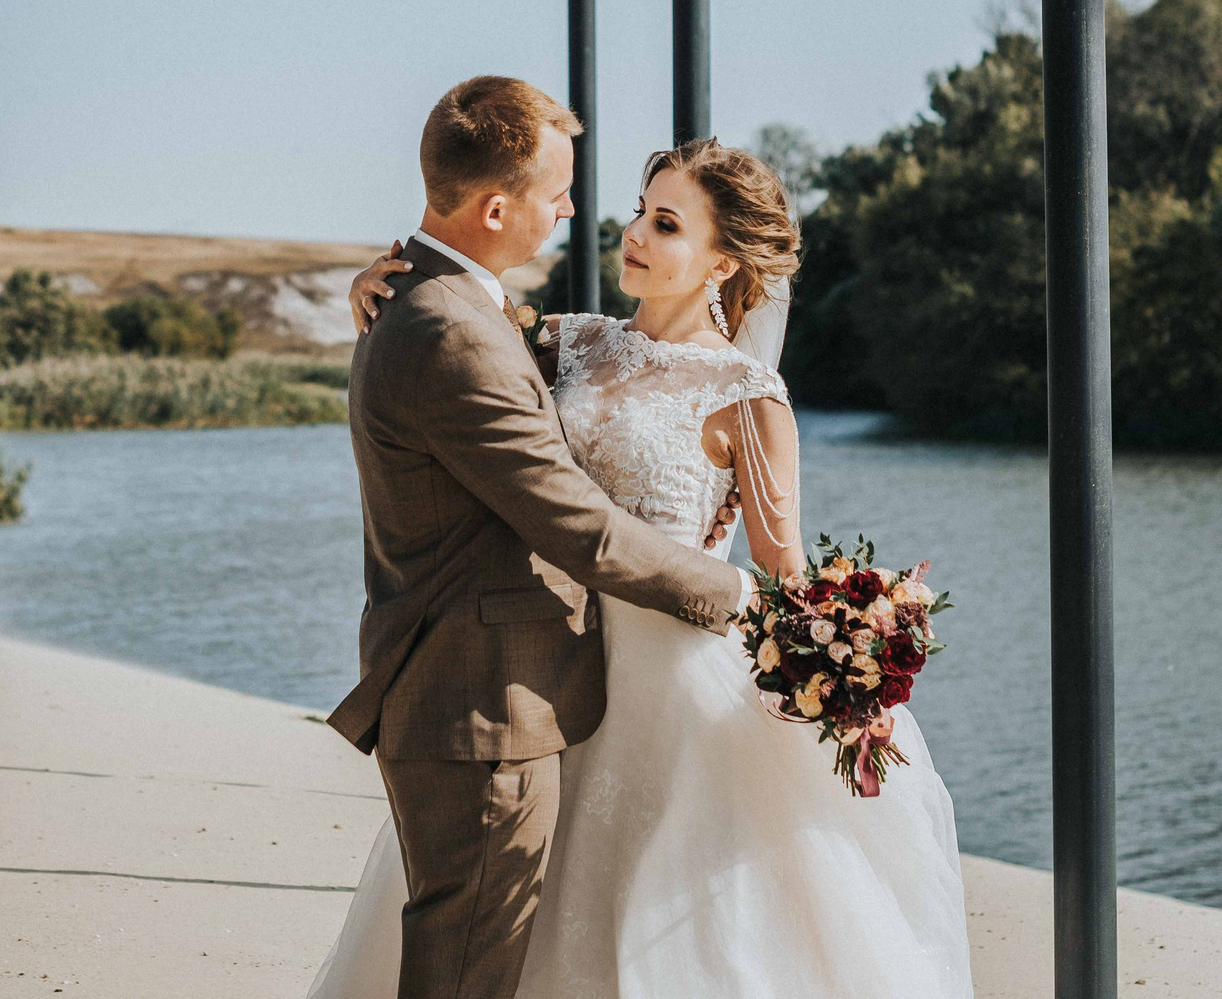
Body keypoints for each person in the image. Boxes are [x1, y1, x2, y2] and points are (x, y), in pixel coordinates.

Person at [309, 118, 973, 999]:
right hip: (537, 659)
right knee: (490, 911)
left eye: (666, 224)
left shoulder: (748, 396)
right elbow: (450, 324)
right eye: (639, 211)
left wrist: (839, 660)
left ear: (722, 262)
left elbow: (779, 571)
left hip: (674, 675)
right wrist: (375, 285)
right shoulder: (565, 342)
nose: (634, 234)